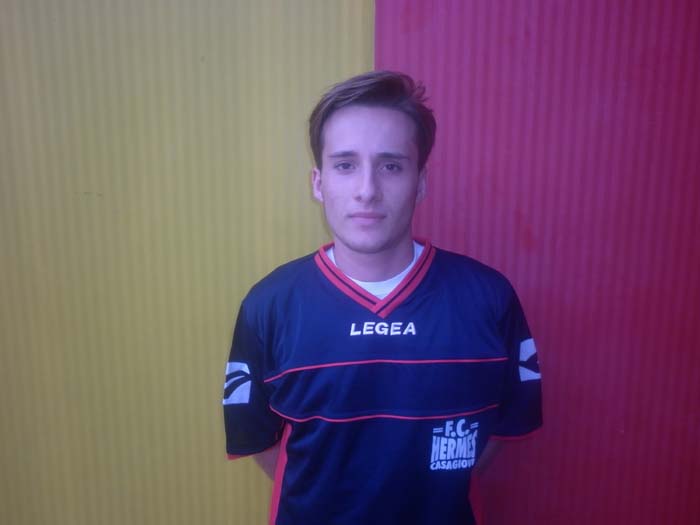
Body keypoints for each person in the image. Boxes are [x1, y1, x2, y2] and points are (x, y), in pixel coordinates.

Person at [223, 70, 542, 525]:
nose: (367, 190)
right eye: (345, 165)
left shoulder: (488, 300)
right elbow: (261, 442)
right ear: (318, 182)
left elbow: (497, 435)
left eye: (391, 166)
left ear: (421, 182)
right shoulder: (269, 306)